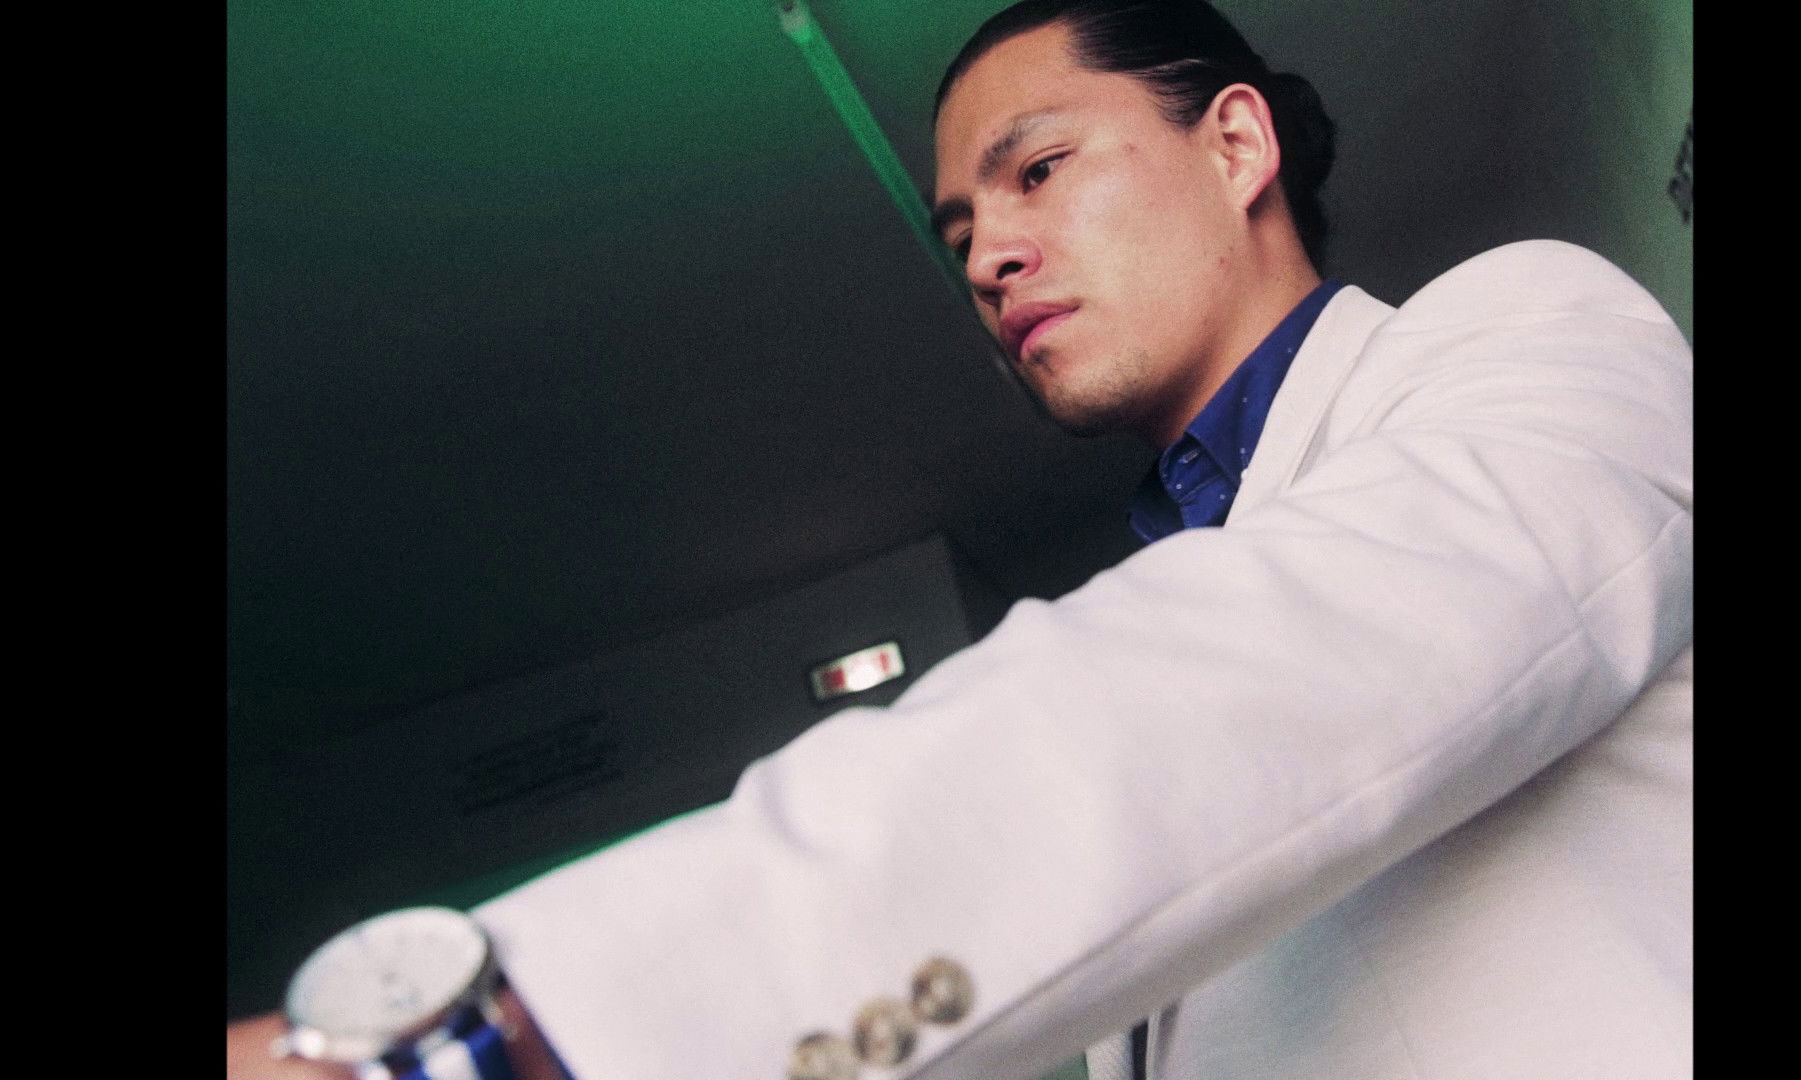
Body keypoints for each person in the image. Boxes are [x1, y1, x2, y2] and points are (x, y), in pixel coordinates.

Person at [230, 1, 1692, 1077]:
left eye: (1036, 170)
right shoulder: (1180, 570)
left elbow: (1245, 685)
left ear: (1237, 143)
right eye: (958, 234)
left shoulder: (1525, 332)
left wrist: (508, 1035)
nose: (989, 256)